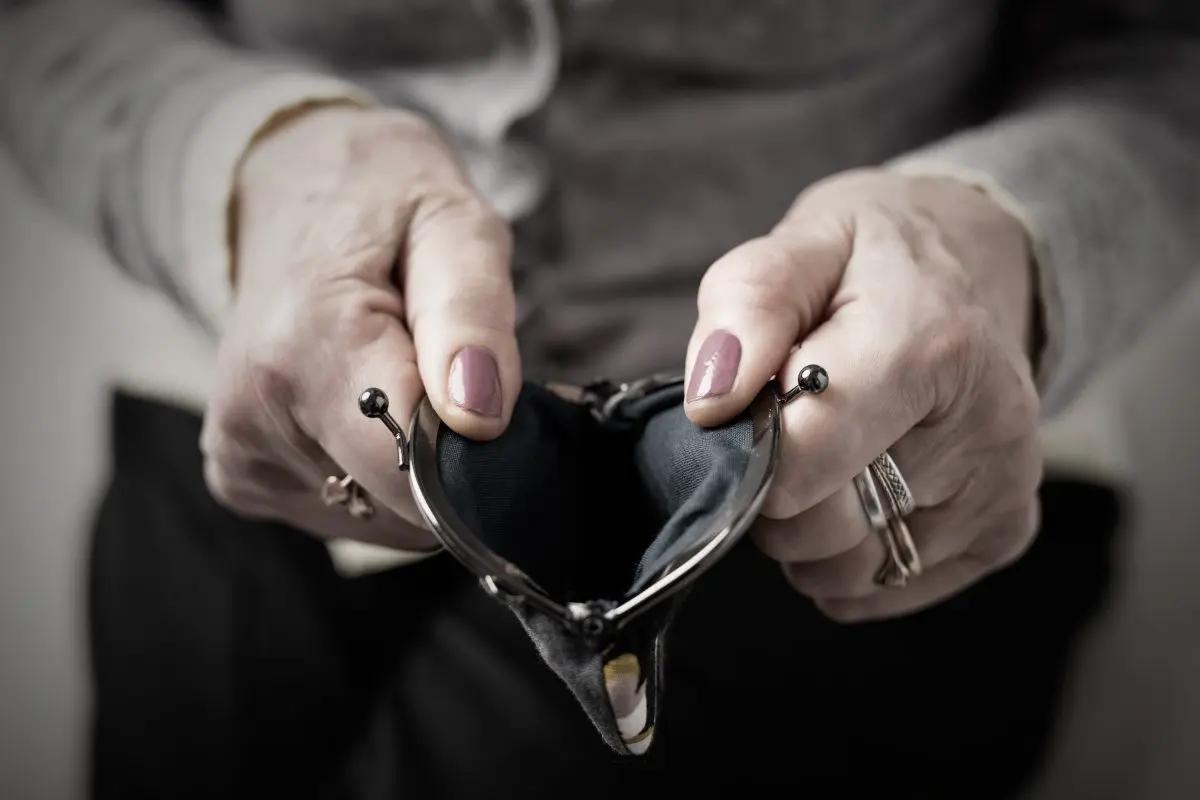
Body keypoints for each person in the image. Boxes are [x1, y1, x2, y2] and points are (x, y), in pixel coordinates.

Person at [2, 1, 1197, 797]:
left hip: (860, 462)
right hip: (261, 390)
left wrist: (1001, 238)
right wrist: (247, 159)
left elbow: (1158, 44)